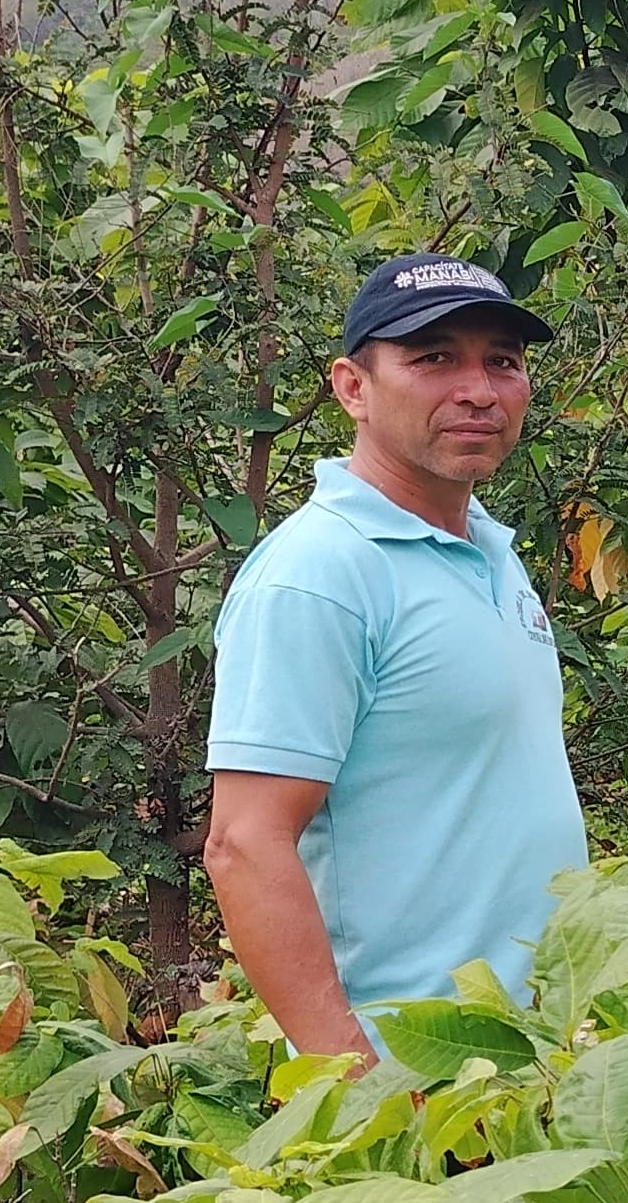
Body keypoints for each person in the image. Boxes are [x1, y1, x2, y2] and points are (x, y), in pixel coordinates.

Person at [204, 254, 591, 1058]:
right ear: (353, 388)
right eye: (434, 357)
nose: (478, 390)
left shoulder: (491, 550)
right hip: (412, 1072)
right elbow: (243, 845)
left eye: (503, 362)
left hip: (529, 1060)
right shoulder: (319, 575)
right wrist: (359, 1085)